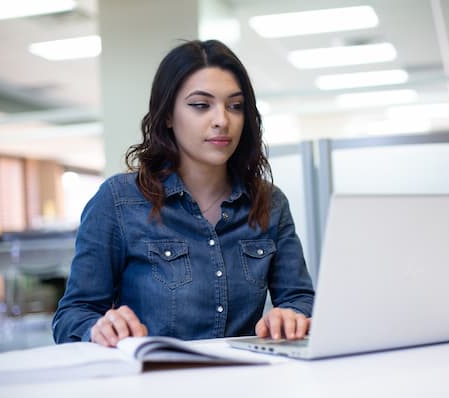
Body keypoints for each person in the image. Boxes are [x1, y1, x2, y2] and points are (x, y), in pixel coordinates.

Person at [52, 39, 314, 347]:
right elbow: (72, 316)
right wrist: (98, 329)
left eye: (235, 106)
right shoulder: (118, 201)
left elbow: (299, 299)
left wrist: (291, 314)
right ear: (167, 115)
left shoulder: (270, 202)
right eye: (201, 105)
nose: (222, 120)